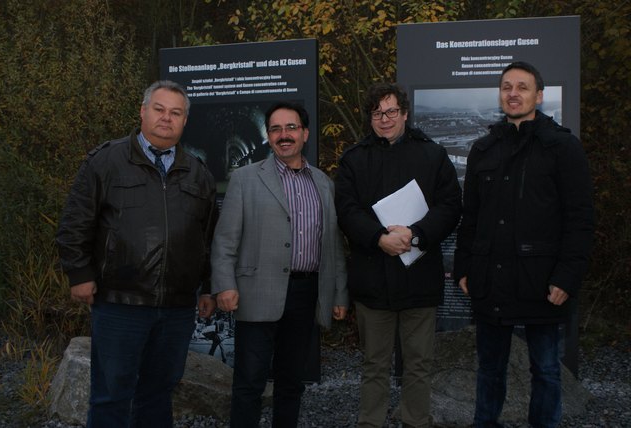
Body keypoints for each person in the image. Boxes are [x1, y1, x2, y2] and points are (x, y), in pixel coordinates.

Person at [56, 80, 218, 428]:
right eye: (159, 109)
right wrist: (79, 274)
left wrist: (207, 286)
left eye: (176, 113)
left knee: (159, 394)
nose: (166, 118)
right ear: (143, 112)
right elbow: (74, 223)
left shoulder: (199, 173)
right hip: (119, 304)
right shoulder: (105, 161)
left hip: (175, 309)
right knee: (111, 395)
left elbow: (207, 238)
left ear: (185, 121)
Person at [454, 61, 595, 428]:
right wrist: (465, 266)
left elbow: (580, 219)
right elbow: (471, 217)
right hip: (491, 279)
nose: (513, 93)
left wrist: (567, 277)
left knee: (546, 370)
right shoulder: (484, 149)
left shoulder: (562, 147)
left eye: (522, 86)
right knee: (489, 369)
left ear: (539, 95)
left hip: (542, 281)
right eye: (506, 87)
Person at [211, 101, 349, 427]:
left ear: (304, 133)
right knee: (249, 382)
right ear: (269, 137)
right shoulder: (245, 178)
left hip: (305, 294)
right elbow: (224, 239)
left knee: (291, 382)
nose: (283, 135)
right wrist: (224, 285)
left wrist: (339, 294)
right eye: (275, 129)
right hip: (256, 293)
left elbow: (332, 245)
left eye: (290, 128)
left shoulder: (324, 184)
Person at [335, 83, 461, 428]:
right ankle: (370, 423)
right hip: (372, 281)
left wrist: (416, 233)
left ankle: (416, 421)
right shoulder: (353, 159)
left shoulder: (433, 155)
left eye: (391, 111)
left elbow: (451, 206)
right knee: (374, 363)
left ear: (405, 114)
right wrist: (378, 238)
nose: (385, 119)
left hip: (419, 278)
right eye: (377, 113)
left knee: (419, 363)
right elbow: (346, 211)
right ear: (370, 118)